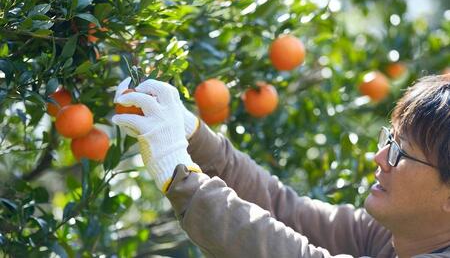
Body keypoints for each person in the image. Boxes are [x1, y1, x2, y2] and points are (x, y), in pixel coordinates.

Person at [112, 74, 450, 258]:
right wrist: (192, 136)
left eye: (399, 153)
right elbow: (287, 212)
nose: (379, 158)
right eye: (388, 140)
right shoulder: (395, 237)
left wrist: (179, 174)